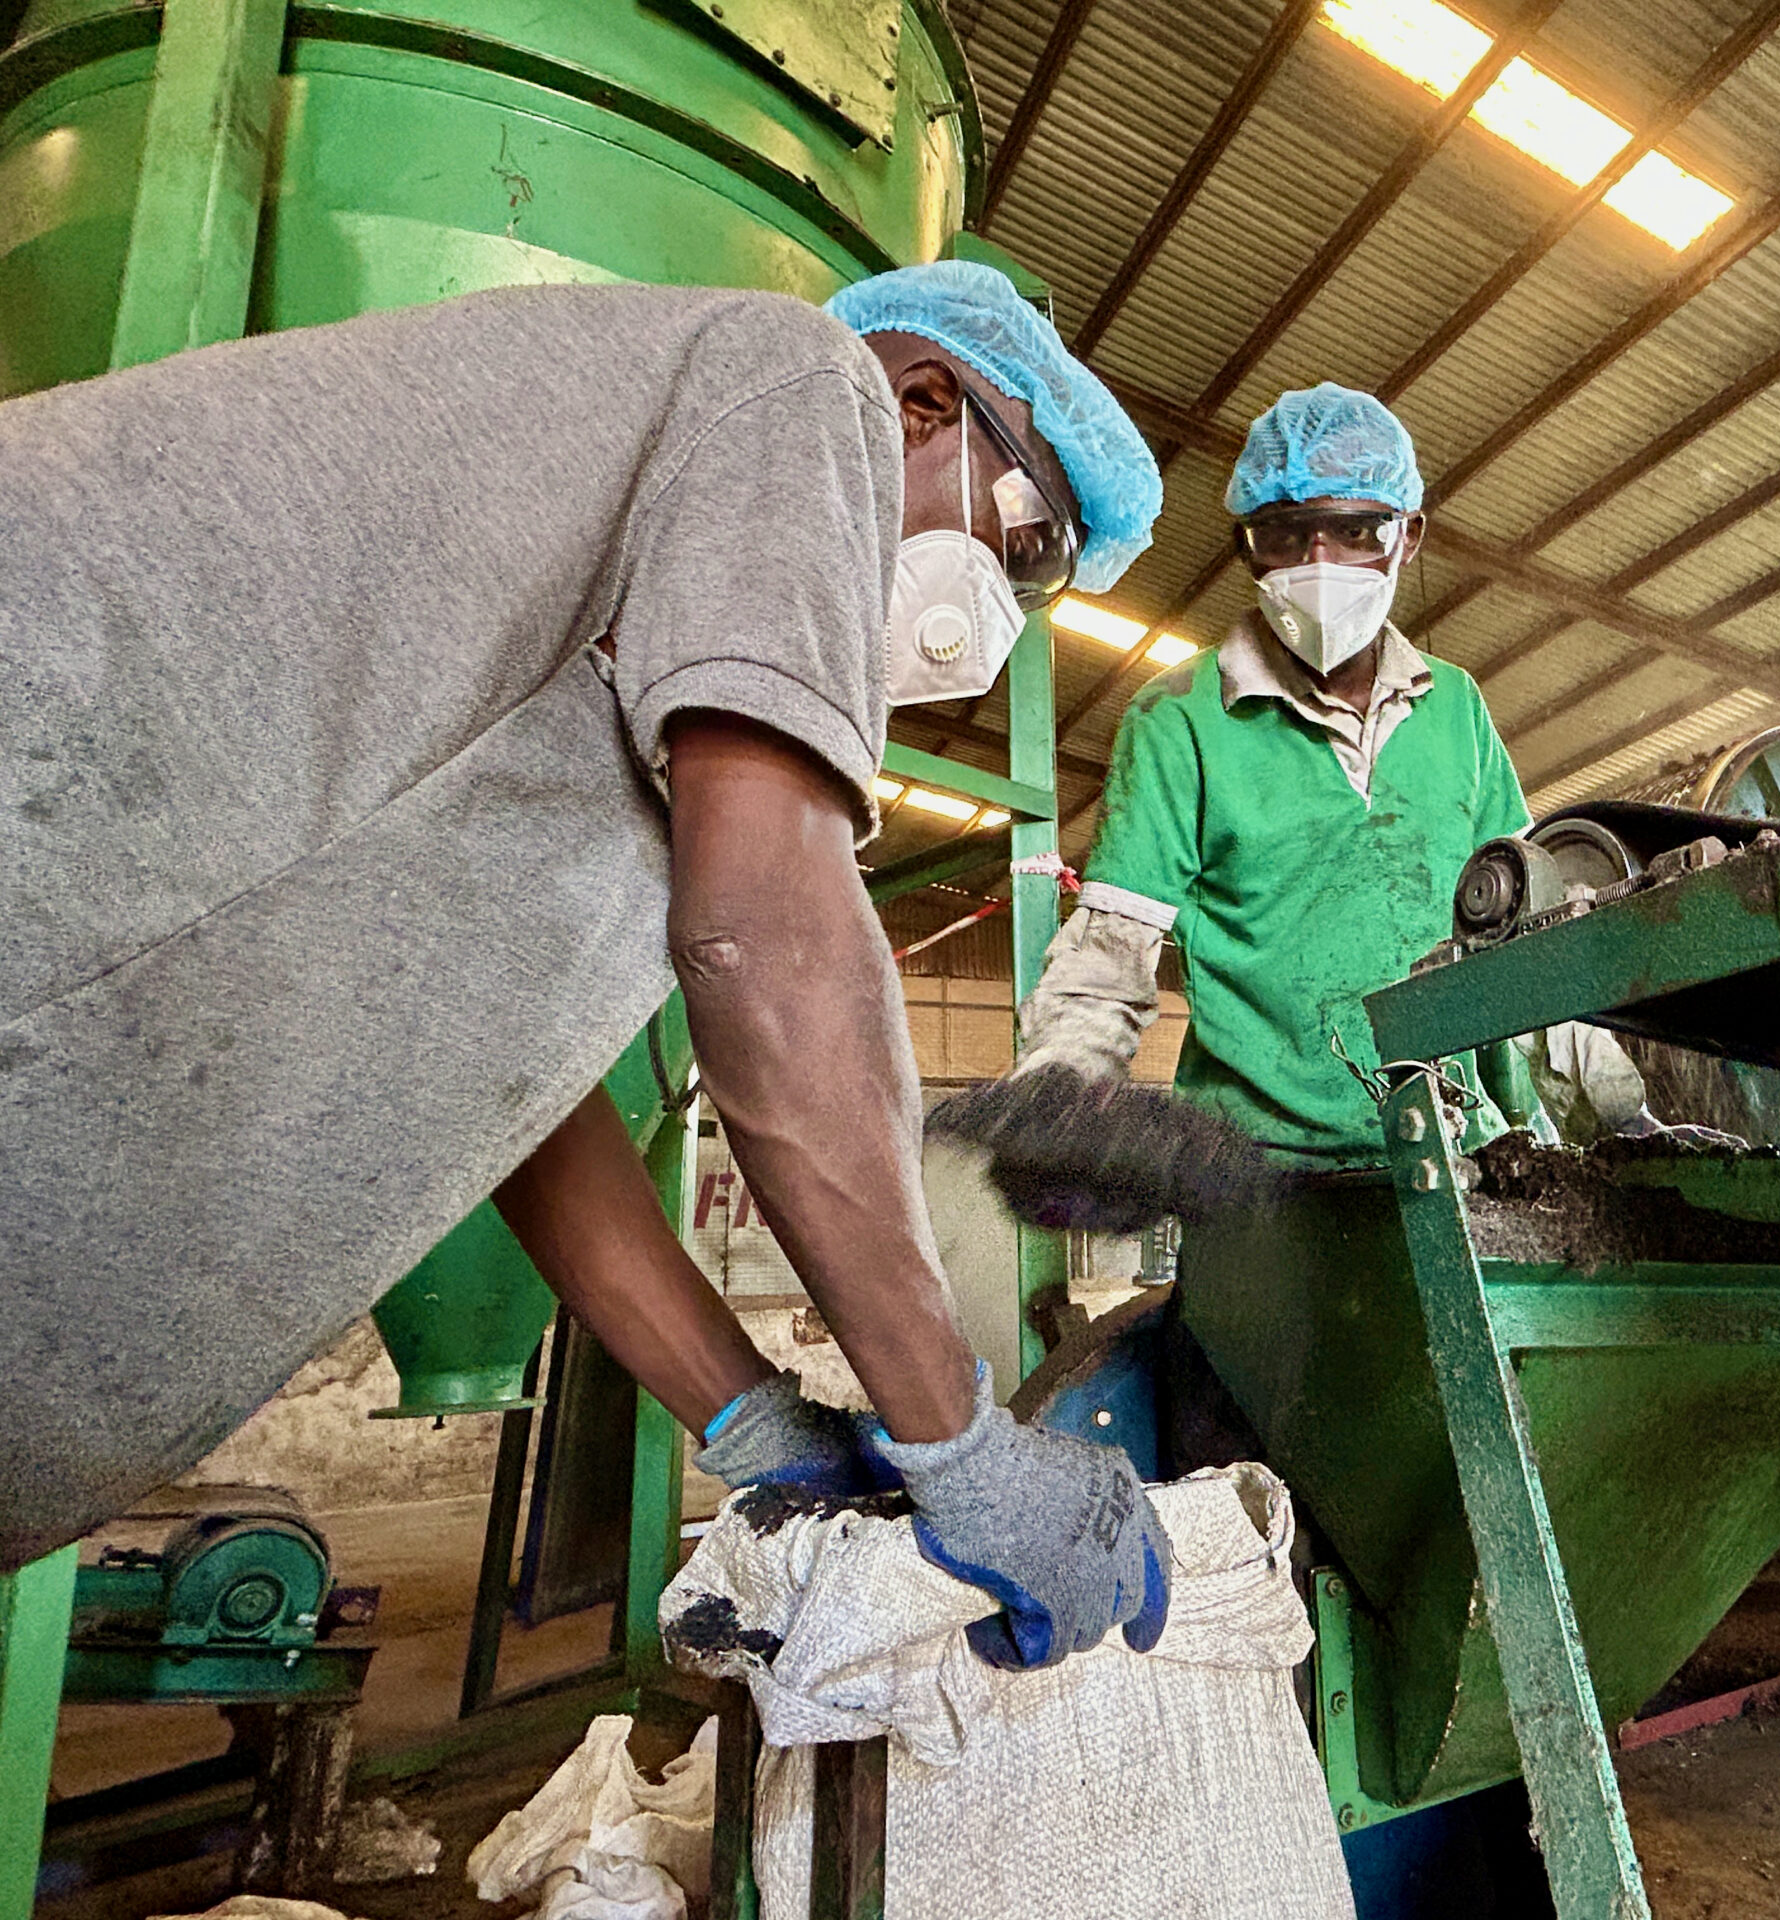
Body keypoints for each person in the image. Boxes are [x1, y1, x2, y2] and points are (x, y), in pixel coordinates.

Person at [0, 261, 1167, 1670]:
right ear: (927, 403)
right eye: (1026, 546)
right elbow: (771, 940)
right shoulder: (803, 389)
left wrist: (752, 1419)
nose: (1004, 617)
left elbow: (507, 1107)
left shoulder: (578, 711)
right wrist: (961, 1444)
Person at [1015, 384, 1532, 1164]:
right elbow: (1107, 958)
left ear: (1410, 535)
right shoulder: (1181, 719)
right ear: (1244, 547)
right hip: (1261, 1177)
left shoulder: (1455, 707)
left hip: (1458, 1157)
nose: (1319, 565)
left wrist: (1593, 1116)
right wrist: (1061, 1103)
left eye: (1356, 530)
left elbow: (1532, 931)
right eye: (1285, 537)